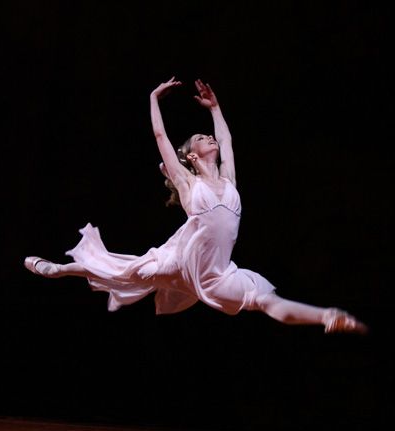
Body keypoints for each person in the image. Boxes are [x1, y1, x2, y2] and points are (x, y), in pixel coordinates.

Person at [24, 76, 368, 334]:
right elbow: (160, 137)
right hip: (180, 263)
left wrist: (216, 109)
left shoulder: (229, 181)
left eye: (210, 135)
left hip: (218, 275)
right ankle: (58, 269)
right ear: (191, 155)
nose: (210, 138)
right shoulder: (189, 183)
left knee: (264, 300)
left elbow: (228, 139)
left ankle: (326, 315)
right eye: (202, 137)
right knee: (125, 271)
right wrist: (153, 98)